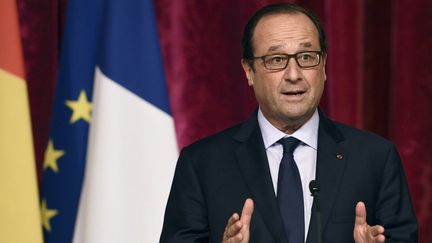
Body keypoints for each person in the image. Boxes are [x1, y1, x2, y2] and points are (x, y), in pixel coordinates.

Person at [160, 3, 418, 243]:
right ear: (249, 71)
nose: (294, 75)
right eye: (276, 60)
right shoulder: (202, 164)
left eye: (306, 57)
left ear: (324, 65)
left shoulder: (375, 158)